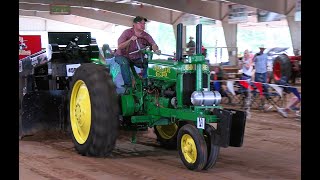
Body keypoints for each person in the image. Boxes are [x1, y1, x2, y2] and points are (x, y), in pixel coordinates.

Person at [114, 16, 161, 89]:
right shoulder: (127, 32)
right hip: (122, 56)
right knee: (124, 62)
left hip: (136, 58)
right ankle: (128, 87)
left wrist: (156, 50)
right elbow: (120, 47)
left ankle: (146, 84)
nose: (143, 25)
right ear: (134, 24)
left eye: (144, 24)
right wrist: (130, 40)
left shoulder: (146, 35)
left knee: (148, 63)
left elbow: (153, 44)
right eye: (141, 23)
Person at [252, 44, 271, 109]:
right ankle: (254, 96)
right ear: (260, 49)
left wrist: (267, 71)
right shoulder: (256, 55)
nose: (262, 50)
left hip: (264, 72)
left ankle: (267, 96)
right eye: (261, 48)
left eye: (263, 49)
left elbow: (266, 63)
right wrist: (255, 56)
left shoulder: (266, 55)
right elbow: (253, 61)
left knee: (265, 85)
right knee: (257, 85)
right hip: (258, 72)